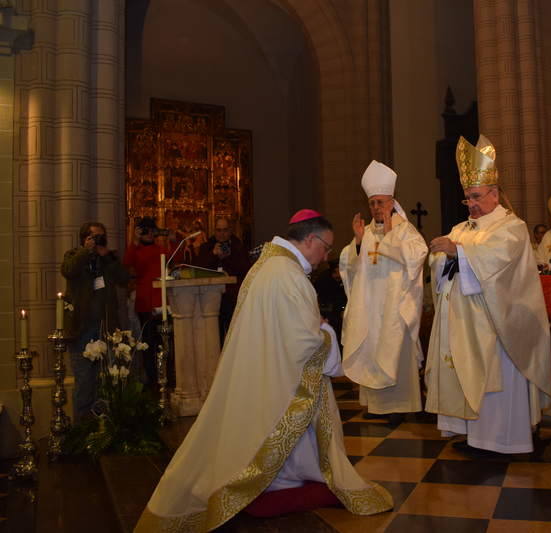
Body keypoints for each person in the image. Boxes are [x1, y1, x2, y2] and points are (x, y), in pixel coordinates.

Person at [135, 210, 393, 532]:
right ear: (310, 239)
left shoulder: (268, 267)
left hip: (268, 370)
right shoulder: (287, 275)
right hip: (282, 378)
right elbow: (305, 341)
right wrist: (326, 333)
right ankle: (278, 479)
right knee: (286, 423)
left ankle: (285, 476)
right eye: (325, 247)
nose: (326, 255)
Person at [425, 135, 551, 454]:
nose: (472, 204)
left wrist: (459, 254)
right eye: (467, 198)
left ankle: (502, 441)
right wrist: (442, 256)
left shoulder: (512, 227)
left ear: (495, 193)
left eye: (477, 196)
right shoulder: (462, 228)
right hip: (463, 323)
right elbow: (443, 261)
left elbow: (498, 262)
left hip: (497, 326)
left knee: (495, 380)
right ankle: (472, 436)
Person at [339, 161, 427, 424]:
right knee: (371, 349)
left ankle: (400, 406)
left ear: (392, 202)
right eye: (373, 203)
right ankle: (377, 406)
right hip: (369, 306)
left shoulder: (404, 230)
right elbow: (349, 265)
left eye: (381, 202)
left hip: (394, 305)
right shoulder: (365, 233)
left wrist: (390, 237)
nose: (377, 208)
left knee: (394, 350)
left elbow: (417, 256)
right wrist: (356, 242)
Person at [61, 222, 129, 420]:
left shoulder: (107, 258)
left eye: (102, 236)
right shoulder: (74, 255)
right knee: (84, 382)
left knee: (106, 382)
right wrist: (86, 252)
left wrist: (107, 256)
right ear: (84, 238)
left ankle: (105, 429)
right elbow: (68, 270)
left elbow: (124, 279)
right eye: (94, 236)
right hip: (82, 329)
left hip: (105, 327)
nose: (99, 240)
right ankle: (82, 431)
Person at [123, 217, 175, 386]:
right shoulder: (135, 250)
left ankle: (167, 378)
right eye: (145, 230)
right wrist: (135, 240)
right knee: (148, 344)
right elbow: (126, 263)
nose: (149, 233)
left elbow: (176, 259)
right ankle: (152, 382)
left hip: (163, 302)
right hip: (145, 302)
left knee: (165, 342)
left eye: (152, 230)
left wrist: (173, 241)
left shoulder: (160, 249)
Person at [194, 217, 251, 344]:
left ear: (230, 230)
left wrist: (228, 258)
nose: (222, 234)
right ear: (214, 231)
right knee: (214, 338)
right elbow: (198, 268)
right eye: (219, 230)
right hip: (211, 299)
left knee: (234, 338)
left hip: (233, 298)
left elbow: (246, 270)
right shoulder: (206, 247)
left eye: (225, 230)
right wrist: (213, 255)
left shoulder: (239, 247)